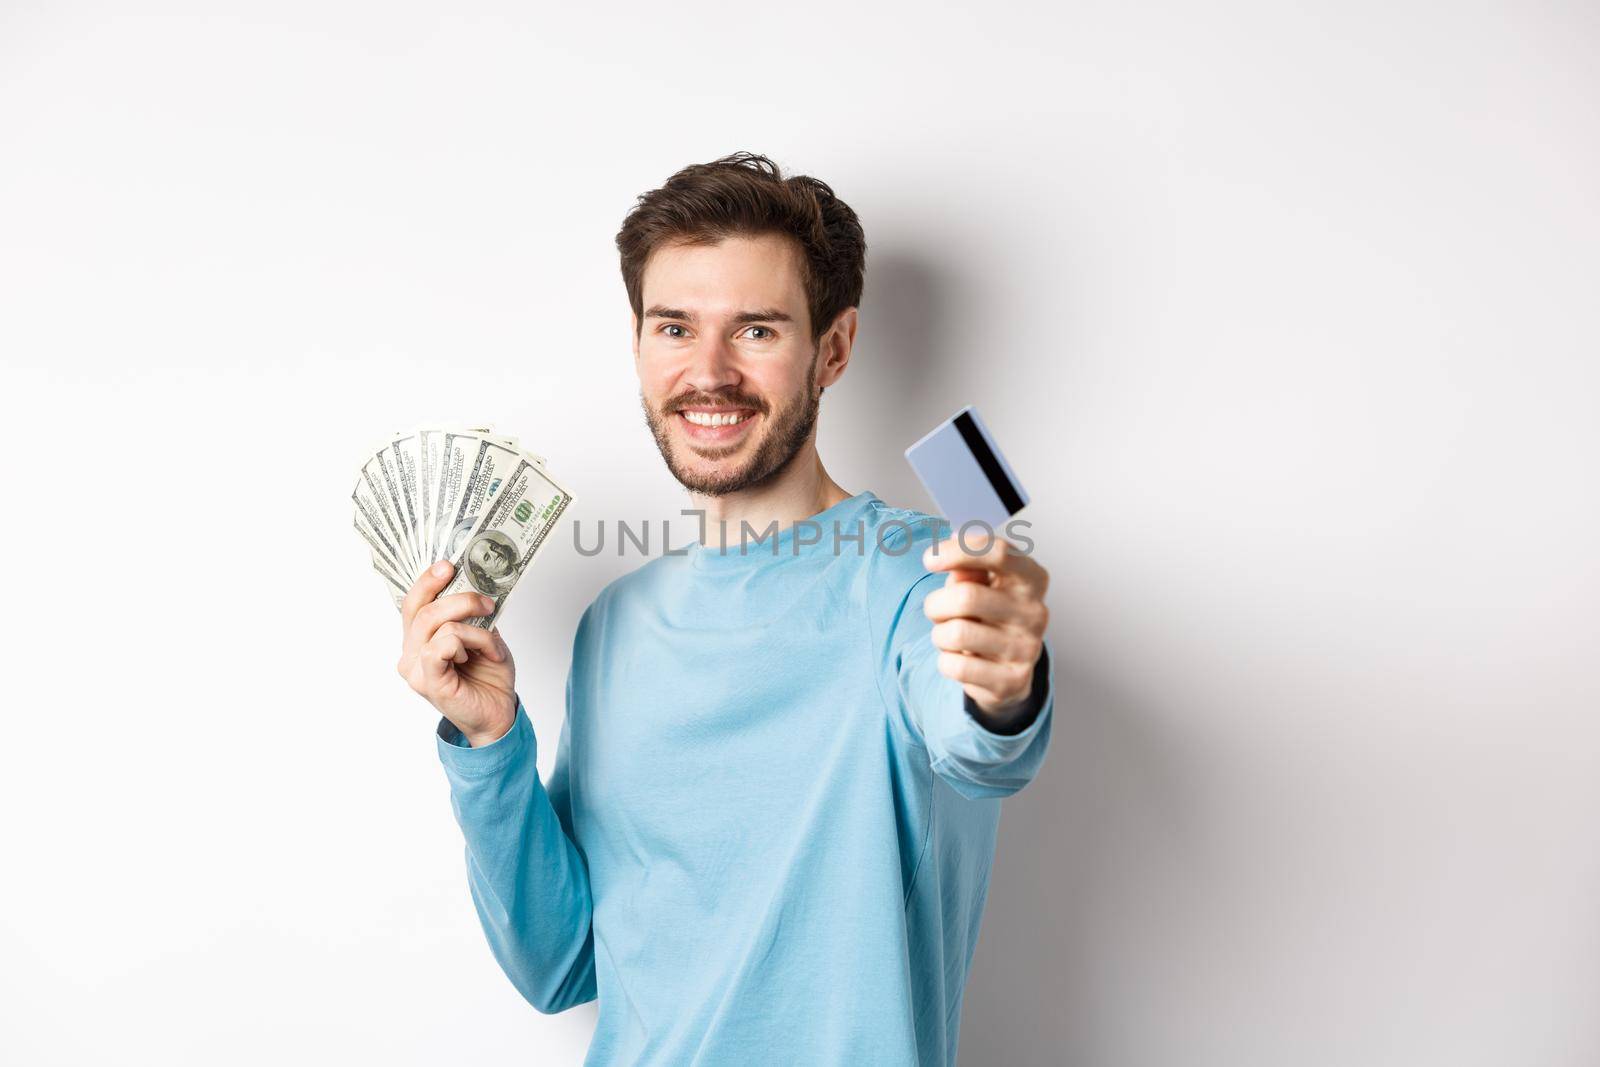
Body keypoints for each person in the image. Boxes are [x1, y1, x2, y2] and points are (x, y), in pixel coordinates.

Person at [395, 152, 1055, 1066]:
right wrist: (488, 745)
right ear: (636, 342)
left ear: (834, 346)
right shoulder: (614, 622)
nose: (707, 373)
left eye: (755, 330)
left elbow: (981, 745)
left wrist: (1007, 684)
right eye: (674, 327)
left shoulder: (915, 577)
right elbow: (560, 962)